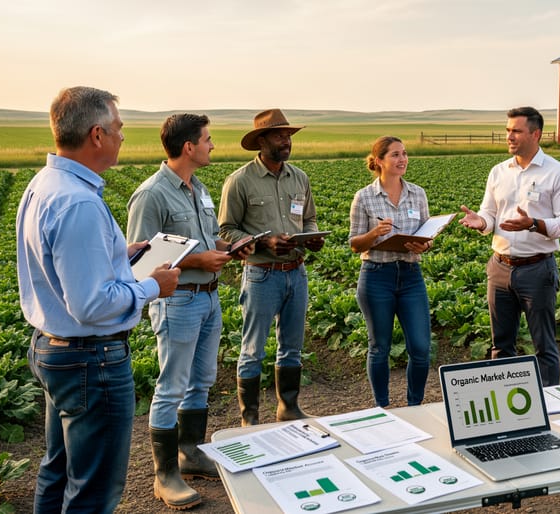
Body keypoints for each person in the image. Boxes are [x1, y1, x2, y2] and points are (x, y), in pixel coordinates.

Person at [16, 86, 180, 513]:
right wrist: (152, 286)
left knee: (58, 471)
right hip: (92, 360)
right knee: (93, 492)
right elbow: (91, 305)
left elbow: (59, 264)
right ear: (96, 135)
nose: (122, 136)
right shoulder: (78, 203)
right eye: (118, 128)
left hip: (54, 347)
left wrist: (115, 255)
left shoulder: (46, 183)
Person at [127, 114, 254, 509]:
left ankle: (191, 454)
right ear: (188, 147)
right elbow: (140, 261)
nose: (212, 145)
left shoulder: (196, 188)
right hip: (178, 301)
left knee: (201, 381)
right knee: (171, 386)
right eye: (208, 139)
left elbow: (199, 238)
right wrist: (200, 257)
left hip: (209, 297)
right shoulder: (151, 194)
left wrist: (229, 245)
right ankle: (165, 475)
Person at [218, 109, 326, 425]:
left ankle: (287, 408)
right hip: (261, 274)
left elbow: (308, 218)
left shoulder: (299, 177)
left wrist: (312, 237)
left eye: (288, 135)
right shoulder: (240, 181)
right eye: (279, 135)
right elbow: (226, 230)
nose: (286, 141)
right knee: (253, 350)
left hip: (296, 271)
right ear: (261, 141)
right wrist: (264, 242)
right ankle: (249, 418)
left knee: (291, 348)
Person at [459, 106, 560, 386]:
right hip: (499, 268)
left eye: (516, 131)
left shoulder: (558, 174)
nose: (509, 137)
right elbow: (489, 213)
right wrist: (482, 222)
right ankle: (506, 410)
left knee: (544, 347)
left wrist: (534, 224)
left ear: (535, 134)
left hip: (537, 269)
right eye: (507, 131)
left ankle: (551, 405)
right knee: (500, 346)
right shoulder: (499, 172)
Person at [348, 136, 433, 407]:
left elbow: (426, 236)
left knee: (421, 348)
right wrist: (374, 234)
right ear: (379, 161)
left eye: (405, 154)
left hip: (410, 276)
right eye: (395, 154)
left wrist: (424, 245)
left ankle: (414, 405)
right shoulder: (364, 197)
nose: (402, 159)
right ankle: (382, 407)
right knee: (379, 347)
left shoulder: (417, 193)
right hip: (376, 276)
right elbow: (354, 244)